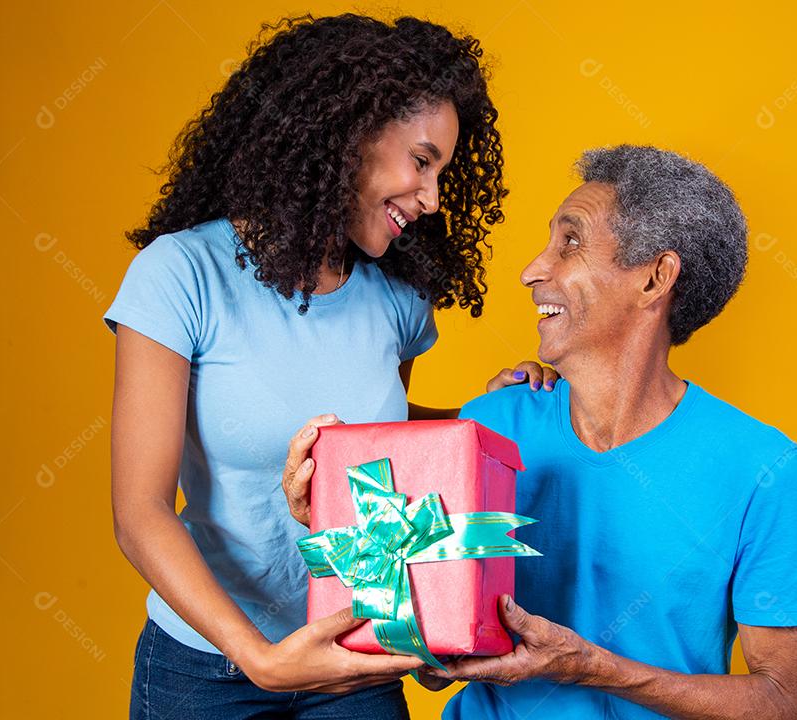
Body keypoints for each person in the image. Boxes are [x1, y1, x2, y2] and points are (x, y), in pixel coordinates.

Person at [106, 14, 553, 720]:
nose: (433, 197)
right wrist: (261, 658)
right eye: (422, 161)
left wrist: (478, 415)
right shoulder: (181, 274)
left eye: (442, 173)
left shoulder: (397, 297)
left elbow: (376, 443)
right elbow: (140, 512)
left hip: (357, 652)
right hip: (207, 664)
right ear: (348, 136)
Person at [282, 144, 797, 719]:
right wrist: (341, 527)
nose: (532, 271)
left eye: (570, 243)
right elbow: (435, 664)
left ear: (654, 279)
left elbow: (794, 705)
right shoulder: (490, 428)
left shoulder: (757, 467)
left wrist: (594, 668)